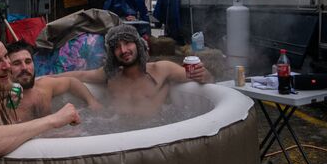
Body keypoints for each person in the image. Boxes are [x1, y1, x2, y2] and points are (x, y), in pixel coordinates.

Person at [56, 24, 214, 116]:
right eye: (117, 47)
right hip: (114, 131)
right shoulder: (110, 75)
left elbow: (207, 80)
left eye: (127, 43)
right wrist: (42, 79)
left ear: (138, 45)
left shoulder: (162, 69)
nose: (123, 50)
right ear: (112, 53)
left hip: (155, 133)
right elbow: (80, 75)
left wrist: (205, 75)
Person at [6, 40, 102, 122]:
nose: (24, 68)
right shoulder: (4, 101)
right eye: (17, 63)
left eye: (28, 62)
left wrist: (92, 101)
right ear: (7, 68)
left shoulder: (44, 86)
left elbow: (71, 82)